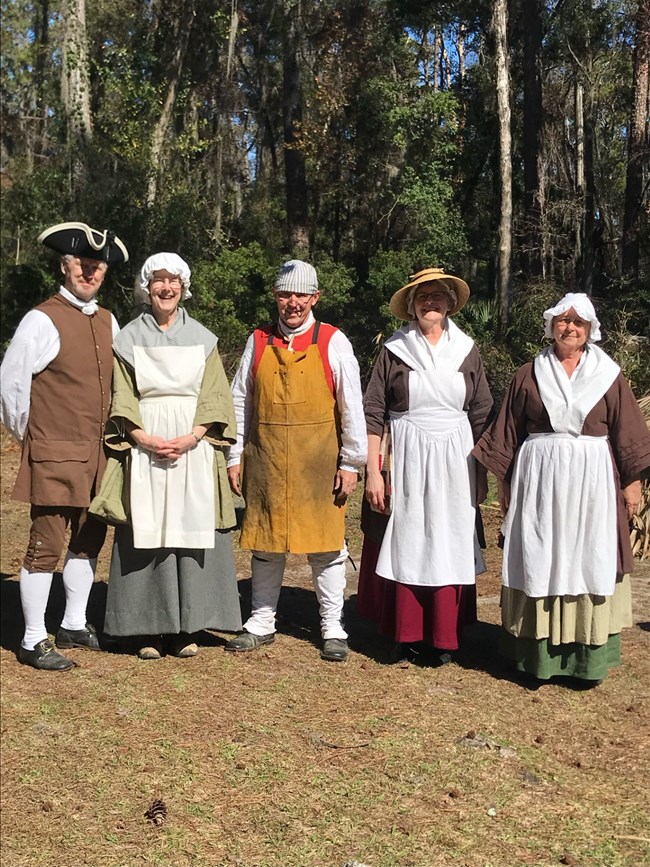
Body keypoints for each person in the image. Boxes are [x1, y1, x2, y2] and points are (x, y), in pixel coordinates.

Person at [472, 293, 650, 686]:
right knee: (541, 553)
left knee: (588, 554)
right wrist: (504, 484)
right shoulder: (529, 373)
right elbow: (509, 432)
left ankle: (585, 657)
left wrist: (632, 484)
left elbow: (627, 434)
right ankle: (536, 655)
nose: (569, 327)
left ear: (589, 331)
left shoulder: (608, 375)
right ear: (552, 324)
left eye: (578, 322)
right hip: (539, 480)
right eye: (563, 320)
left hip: (593, 484)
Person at [93, 253, 242, 659]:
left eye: (173, 281)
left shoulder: (203, 338)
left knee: (190, 527)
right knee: (146, 527)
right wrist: (142, 437)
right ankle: (143, 628)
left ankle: (186, 626)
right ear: (147, 286)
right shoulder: (127, 338)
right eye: (158, 280)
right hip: (146, 442)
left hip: (190, 445)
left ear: (183, 286)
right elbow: (121, 395)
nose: (166, 288)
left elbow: (215, 397)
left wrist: (193, 437)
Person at [0, 221, 129, 670]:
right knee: (46, 544)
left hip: (98, 456)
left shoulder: (110, 321)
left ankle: (74, 622)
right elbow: (12, 387)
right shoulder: (41, 318)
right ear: (65, 265)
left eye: (97, 268)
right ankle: (33, 637)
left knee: (90, 539)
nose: (90, 274)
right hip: (55, 453)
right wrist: (35, 438)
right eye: (83, 265)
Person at [225, 259, 366, 662]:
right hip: (266, 457)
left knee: (326, 546)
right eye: (286, 294)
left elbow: (351, 406)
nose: (293, 303)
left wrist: (351, 462)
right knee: (267, 543)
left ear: (315, 297)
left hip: (318, 463)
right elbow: (240, 400)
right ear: (276, 297)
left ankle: (331, 626)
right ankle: (261, 620)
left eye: (301, 295)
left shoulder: (332, 341)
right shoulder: (258, 341)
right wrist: (235, 454)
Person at [357, 267, 493, 664]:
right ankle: (406, 632)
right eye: (422, 297)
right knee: (409, 536)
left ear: (450, 303)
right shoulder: (394, 350)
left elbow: (482, 410)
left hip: (456, 457)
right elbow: (374, 410)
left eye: (437, 296)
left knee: (449, 537)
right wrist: (374, 469)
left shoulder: (467, 349)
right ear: (411, 306)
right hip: (407, 453)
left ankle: (443, 636)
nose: (429, 303)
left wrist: (480, 472)